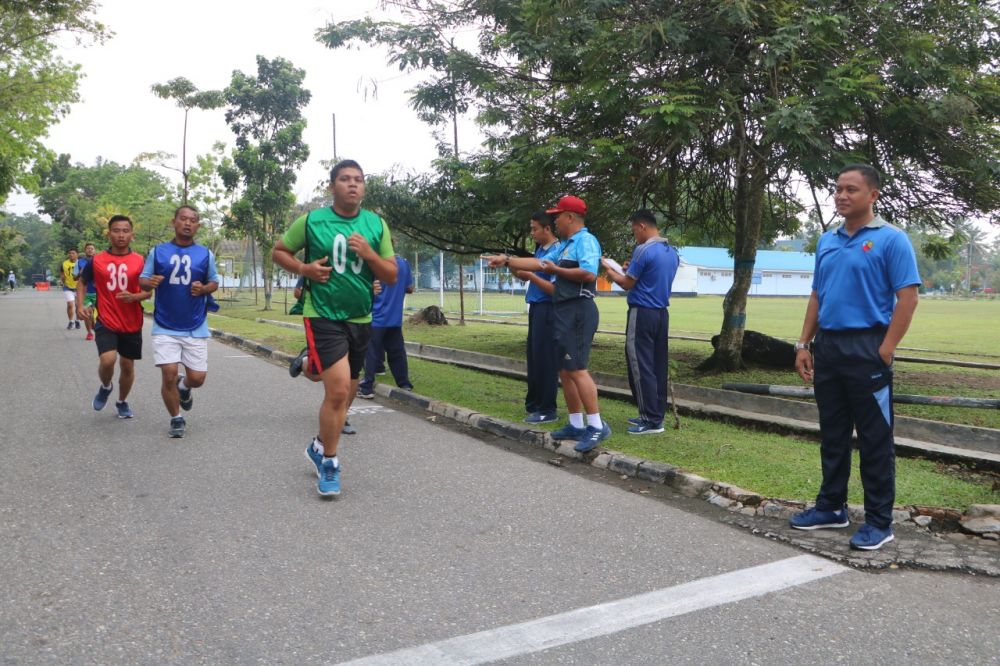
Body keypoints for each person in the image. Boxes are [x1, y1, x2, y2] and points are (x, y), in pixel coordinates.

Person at [790, 164, 920, 551]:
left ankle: (880, 522)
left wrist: (886, 348)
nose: (842, 196)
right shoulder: (827, 241)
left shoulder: (891, 240)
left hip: (868, 348)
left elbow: (908, 297)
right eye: (837, 189)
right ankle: (832, 507)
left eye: (851, 189)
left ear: (873, 195)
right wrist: (803, 343)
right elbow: (817, 295)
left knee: (875, 438)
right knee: (832, 433)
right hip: (828, 347)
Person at [273, 159, 398, 498]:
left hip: (360, 318)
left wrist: (371, 254)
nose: (353, 185)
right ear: (332, 187)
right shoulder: (312, 221)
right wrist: (304, 268)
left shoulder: (375, 224)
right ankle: (329, 462)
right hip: (322, 313)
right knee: (340, 390)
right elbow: (279, 251)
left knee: (348, 392)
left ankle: (317, 443)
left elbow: (390, 275)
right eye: (345, 179)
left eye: (358, 180)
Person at [486, 195, 610, 452]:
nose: (555, 222)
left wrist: (557, 271)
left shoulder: (586, 241)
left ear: (570, 217)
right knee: (564, 370)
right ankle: (576, 424)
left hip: (579, 309)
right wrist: (507, 260)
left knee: (576, 368)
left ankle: (597, 425)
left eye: (557, 217)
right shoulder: (565, 245)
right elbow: (538, 263)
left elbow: (588, 273)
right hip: (563, 311)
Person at [139, 205, 220, 439]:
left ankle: (185, 388)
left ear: (198, 225)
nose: (187, 223)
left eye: (193, 220)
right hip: (165, 324)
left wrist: (204, 288)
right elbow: (143, 279)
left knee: (197, 378)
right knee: (169, 374)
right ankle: (176, 418)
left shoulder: (206, 254)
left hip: (195, 324)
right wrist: (149, 282)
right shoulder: (158, 252)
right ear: (173, 222)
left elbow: (214, 282)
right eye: (183, 219)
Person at [602, 210, 679, 434]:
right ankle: (655, 414)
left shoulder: (643, 249)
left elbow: (627, 284)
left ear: (642, 226)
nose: (634, 233)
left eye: (634, 229)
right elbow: (647, 277)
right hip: (661, 314)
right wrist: (628, 270)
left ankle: (650, 420)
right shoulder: (671, 252)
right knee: (656, 364)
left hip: (642, 312)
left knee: (639, 364)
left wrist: (610, 270)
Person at [76, 216, 150, 419]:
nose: (121, 235)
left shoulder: (141, 261)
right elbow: (82, 282)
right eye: (116, 231)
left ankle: (122, 401)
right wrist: (80, 305)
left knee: (127, 365)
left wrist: (134, 296)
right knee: (108, 360)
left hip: (132, 321)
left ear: (132, 235)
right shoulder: (96, 260)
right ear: (109, 234)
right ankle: (106, 386)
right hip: (106, 319)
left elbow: (148, 293)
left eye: (125, 231)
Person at [512, 211, 560, 424]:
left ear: (547, 229)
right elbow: (528, 275)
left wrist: (529, 274)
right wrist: (518, 270)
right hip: (536, 307)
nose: (531, 233)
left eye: (534, 229)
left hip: (549, 309)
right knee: (534, 356)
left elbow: (553, 288)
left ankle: (547, 408)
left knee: (546, 358)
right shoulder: (540, 250)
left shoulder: (558, 251)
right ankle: (534, 404)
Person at [357, 255, 415, 399]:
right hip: (394, 317)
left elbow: (362, 286)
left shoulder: (372, 263)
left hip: (375, 317)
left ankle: (367, 387)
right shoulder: (403, 263)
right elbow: (410, 288)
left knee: (370, 352)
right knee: (397, 351)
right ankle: (404, 384)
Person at [74, 242, 98, 341]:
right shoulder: (79, 262)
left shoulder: (99, 261)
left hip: (98, 292)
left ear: (94, 250)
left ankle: (93, 325)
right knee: (88, 313)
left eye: (92, 248)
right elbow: (75, 277)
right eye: (88, 248)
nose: (90, 250)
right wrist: (80, 273)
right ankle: (89, 332)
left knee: (98, 316)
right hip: (86, 292)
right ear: (85, 250)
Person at [60, 248, 80, 330]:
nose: (71, 255)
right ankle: (71, 321)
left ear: (77, 254)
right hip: (68, 287)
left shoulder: (80, 263)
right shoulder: (64, 263)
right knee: (70, 305)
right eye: (70, 253)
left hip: (79, 288)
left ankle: (77, 320)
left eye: (73, 253)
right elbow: (61, 273)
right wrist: (62, 279)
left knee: (78, 306)